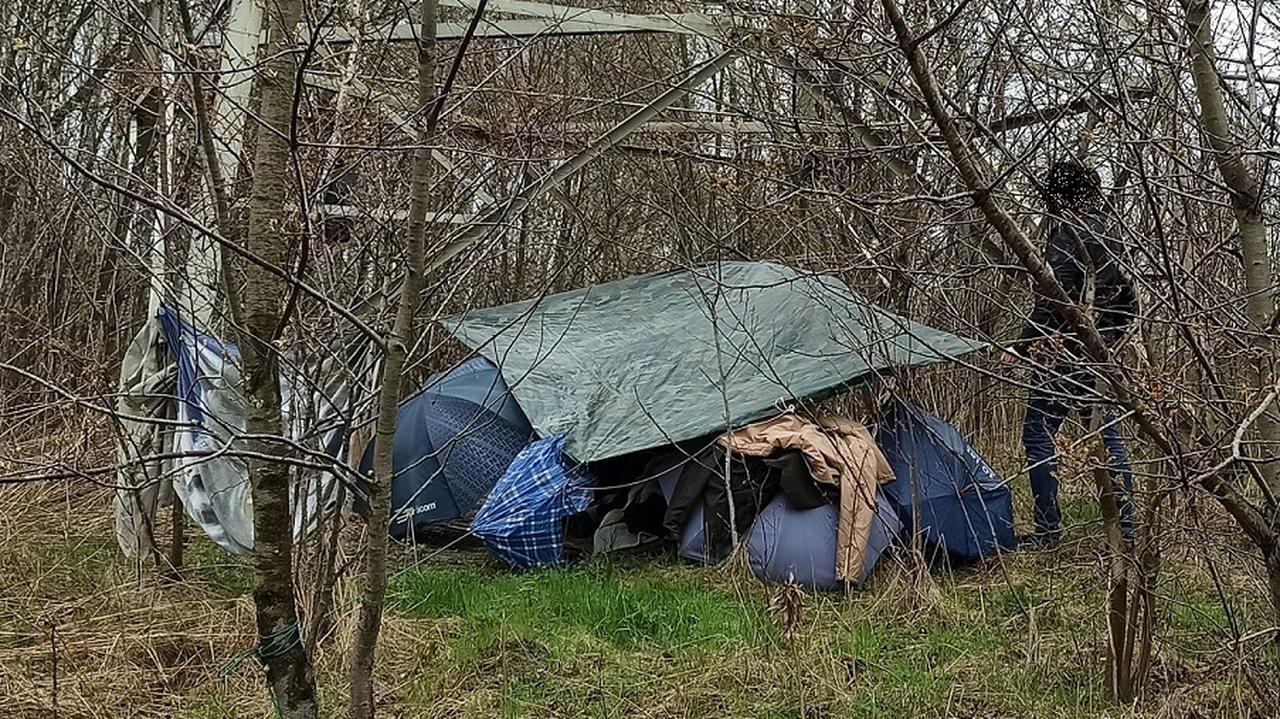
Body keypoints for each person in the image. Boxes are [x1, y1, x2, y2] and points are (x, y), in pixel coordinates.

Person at [1001, 160, 1138, 547]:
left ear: (1061, 197)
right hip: (1102, 354)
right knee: (1108, 438)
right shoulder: (1115, 236)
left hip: (1065, 355)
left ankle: (1048, 532)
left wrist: (1022, 345)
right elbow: (1130, 299)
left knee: (1038, 434)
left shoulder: (1068, 237)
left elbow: (1052, 300)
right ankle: (1125, 532)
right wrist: (1111, 341)